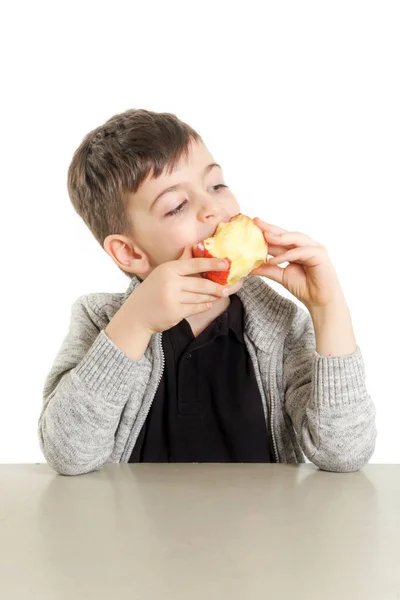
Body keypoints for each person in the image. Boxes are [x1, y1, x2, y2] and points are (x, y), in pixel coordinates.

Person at [38, 108, 377, 476]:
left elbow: (343, 453)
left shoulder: (280, 325)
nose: (213, 208)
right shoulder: (102, 320)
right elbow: (69, 455)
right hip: (134, 531)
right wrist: (134, 323)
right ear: (131, 252)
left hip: (264, 532)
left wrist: (327, 308)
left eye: (216, 185)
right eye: (177, 206)